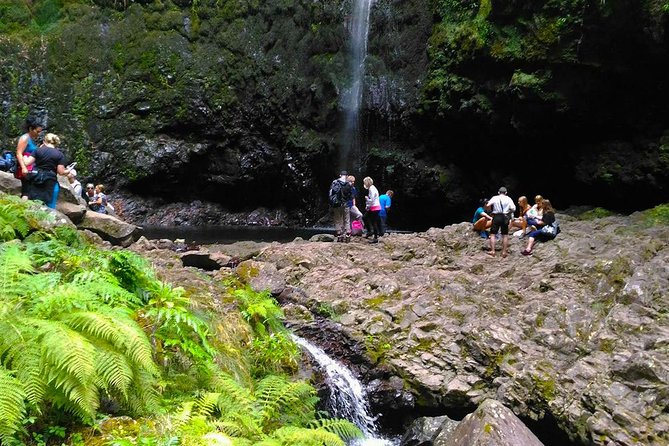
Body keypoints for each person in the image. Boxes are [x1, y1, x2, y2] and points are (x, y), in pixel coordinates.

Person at [26, 133, 65, 208]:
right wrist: (67, 171)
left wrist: (23, 156)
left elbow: (27, 162)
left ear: (44, 141)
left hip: (36, 178)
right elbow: (61, 172)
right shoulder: (59, 154)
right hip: (50, 180)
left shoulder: (38, 150)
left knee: (33, 203)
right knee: (50, 204)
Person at [15, 117, 43, 199]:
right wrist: (23, 167)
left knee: (30, 190)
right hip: (25, 167)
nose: (39, 134)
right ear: (31, 129)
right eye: (37, 131)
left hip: (31, 168)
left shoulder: (32, 139)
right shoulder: (25, 138)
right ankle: (22, 209)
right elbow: (19, 153)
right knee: (26, 191)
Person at [485, 186, 516, 258]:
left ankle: (493, 251)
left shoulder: (495, 197)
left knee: (492, 234)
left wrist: (489, 211)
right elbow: (513, 208)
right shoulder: (509, 199)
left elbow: (488, 205)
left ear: (498, 192)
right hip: (505, 217)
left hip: (496, 216)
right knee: (505, 235)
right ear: (506, 193)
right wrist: (508, 212)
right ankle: (504, 252)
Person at [329, 170, 353, 242]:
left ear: (340, 175)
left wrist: (331, 203)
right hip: (345, 204)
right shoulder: (348, 184)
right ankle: (348, 235)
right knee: (347, 219)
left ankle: (339, 236)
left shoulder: (335, 182)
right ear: (347, 176)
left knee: (338, 220)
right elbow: (350, 196)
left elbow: (331, 193)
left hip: (337, 204)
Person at [363, 176, 382, 244]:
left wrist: (367, 199)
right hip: (375, 207)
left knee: (373, 222)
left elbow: (372, 200)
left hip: (374, 207)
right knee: (365, 217)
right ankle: (370, 232)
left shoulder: (371, 189)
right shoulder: (372, 188)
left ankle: (375, 237)